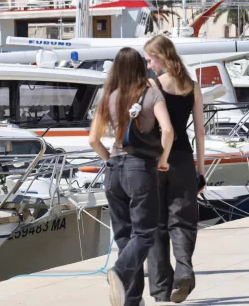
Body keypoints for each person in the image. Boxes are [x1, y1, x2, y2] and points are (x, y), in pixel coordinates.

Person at [89, 48, 174, 306]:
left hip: (113, 170)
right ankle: (120, 271)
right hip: (139, 169)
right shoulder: (151, 93)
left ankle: (132, 299)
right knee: (145, 233)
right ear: (140, 67)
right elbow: (167, 130)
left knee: (125, 236)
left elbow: (93, 139)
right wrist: (163, 159)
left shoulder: (108, 96)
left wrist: (109, 159)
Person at [143, 35, 205, 304]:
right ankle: (184, 272)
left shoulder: (153, 85)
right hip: (183, 160)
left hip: (157, 160)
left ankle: (160, 289)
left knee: (156, 224)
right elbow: (200, 132)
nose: (149, 65)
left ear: (160, 57)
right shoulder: (193, 86)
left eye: (150, 59)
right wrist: (200, 170)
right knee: (183, 221)